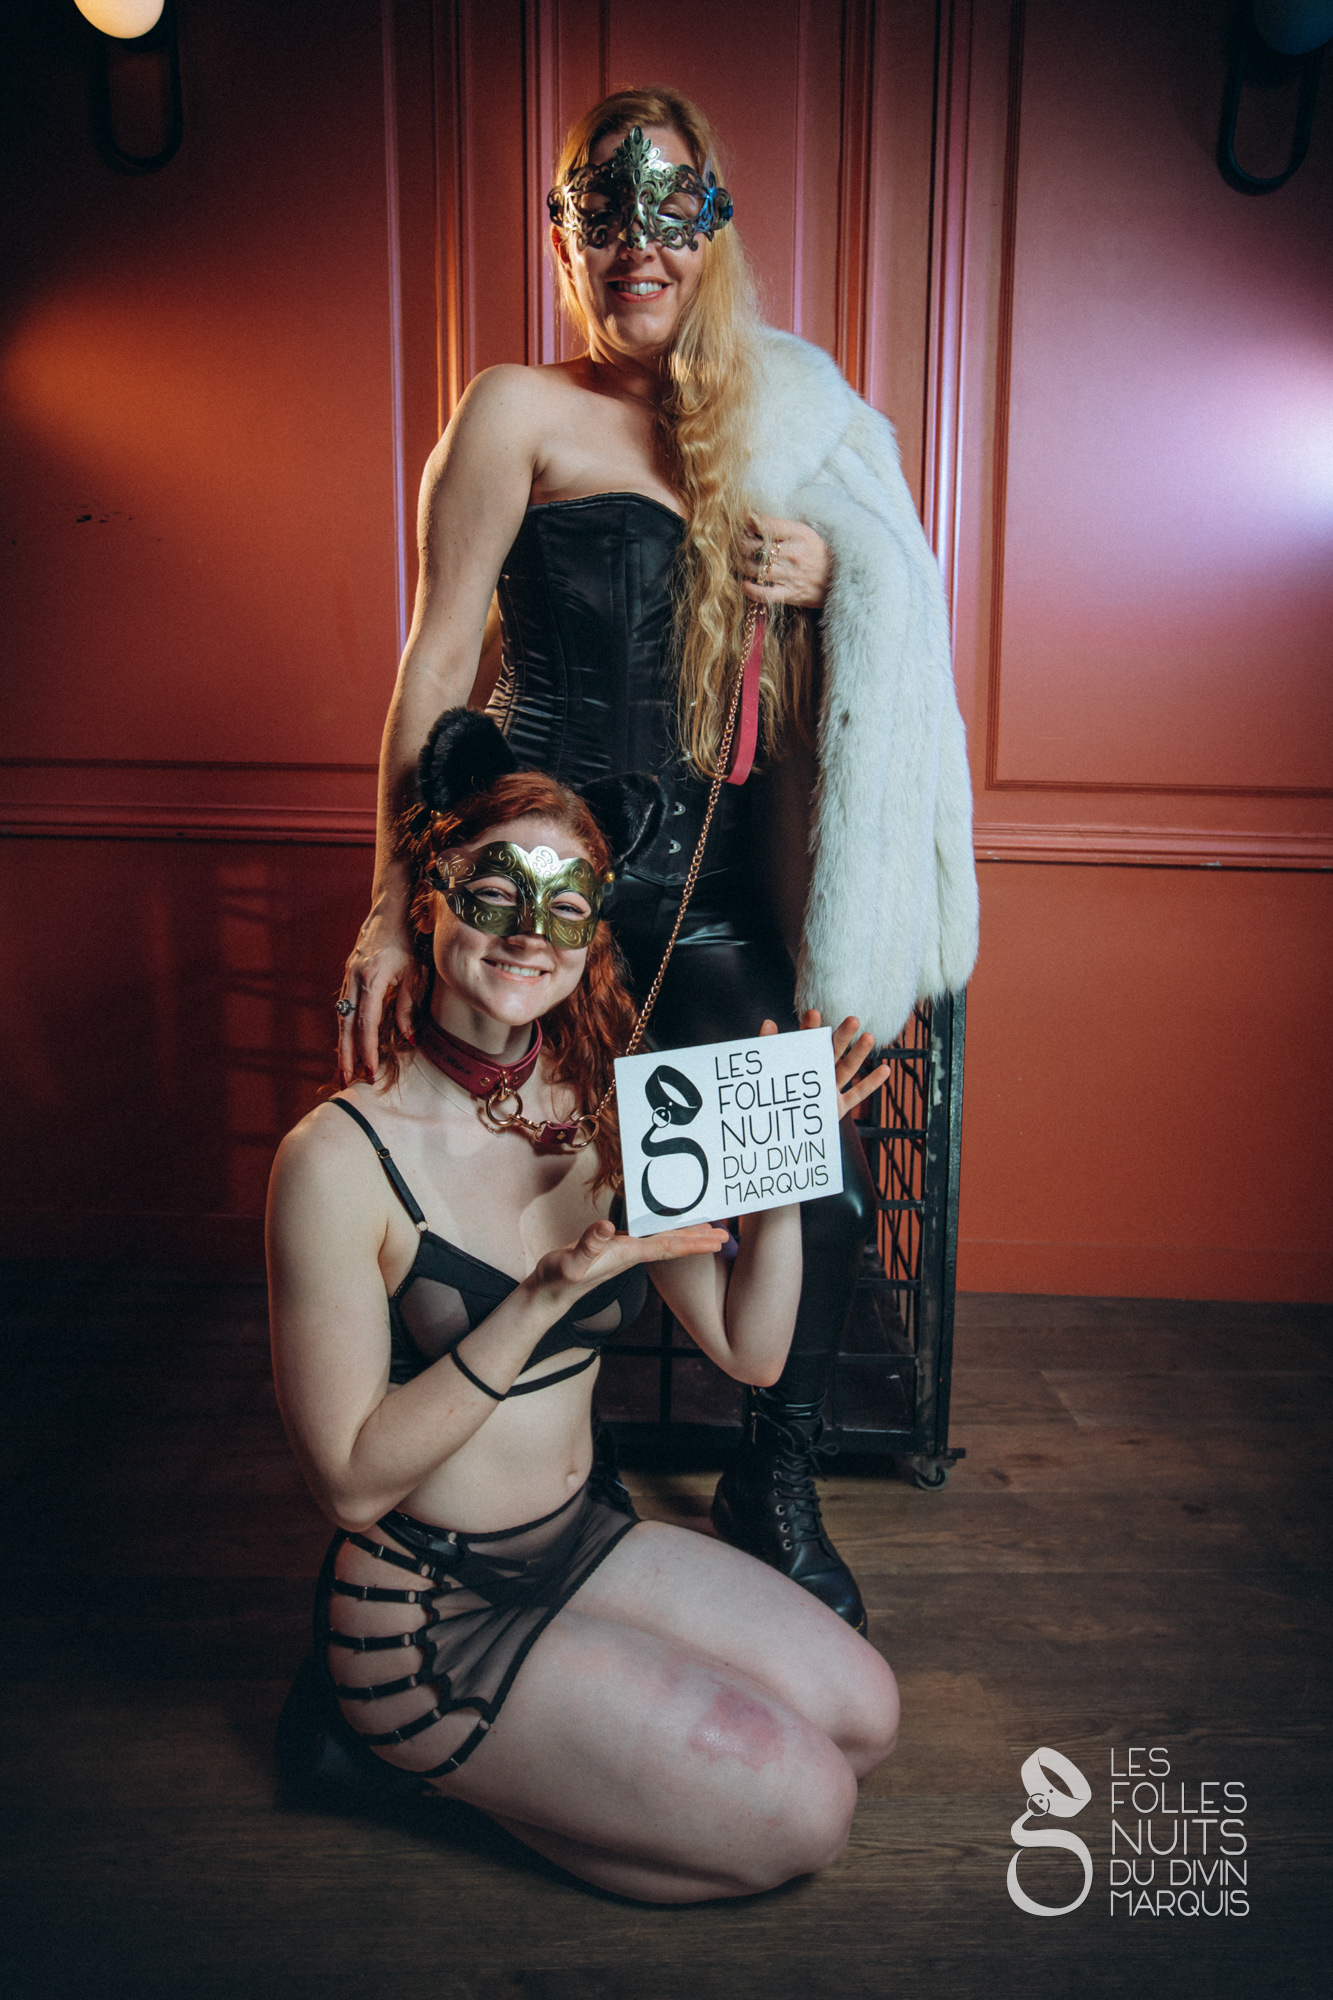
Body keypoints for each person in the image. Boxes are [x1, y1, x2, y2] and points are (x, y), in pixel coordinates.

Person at [337, 87, 979, 1634]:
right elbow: (435, 664)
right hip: (533, 891)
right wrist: (389, 905)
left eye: (670, 210)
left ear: (715, 232)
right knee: (506, 1176)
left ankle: (775, 1471)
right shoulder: (515, 410)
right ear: (565, 239)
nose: (639, 242)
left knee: (807, 1184)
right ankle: (535, 1461)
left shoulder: (780, 424)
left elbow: (889, 612)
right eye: (603, 213)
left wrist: (832, 573)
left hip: (704, 897)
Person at [269, 714, 899, 1902]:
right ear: (431, 898)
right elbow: (348, 1483)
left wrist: (784, 1176)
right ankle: (385, 1750)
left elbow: (751, 1352)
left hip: (577, 1540)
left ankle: (552, 1743)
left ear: (591, 933)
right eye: (494, 892)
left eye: (564, 907)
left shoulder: (611, 1107)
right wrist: (542, 1296)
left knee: (864, 1712)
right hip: (422, 1608)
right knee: (807, 1812)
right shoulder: (336, 1159)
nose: (528, 933)